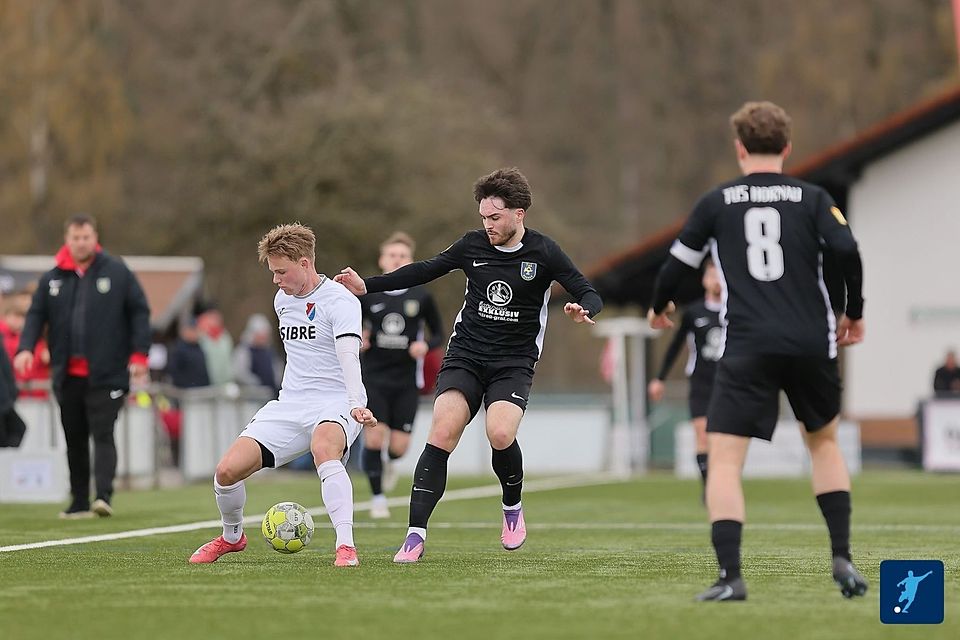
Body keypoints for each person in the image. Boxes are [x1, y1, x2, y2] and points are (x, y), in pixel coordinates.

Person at [648, 102, 868, 601]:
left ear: (739, 148)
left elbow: (676, 264)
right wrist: (853, 311)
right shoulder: (813, 197)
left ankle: (731, 577)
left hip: (748, 342)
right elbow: (847, 249)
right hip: (811, 340)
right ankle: (842, 556)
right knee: (824, 444)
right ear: (787, 147)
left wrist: (659, 307)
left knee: (724, 460)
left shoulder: (717, 202)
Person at [336, 167, 602, 563]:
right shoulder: (472, 245)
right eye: (483, 217)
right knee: (443, 430)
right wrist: (367, 285)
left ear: (519, 214)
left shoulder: (544, 252)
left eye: (495, 217)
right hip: (466, 355)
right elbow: (425, 269)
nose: (487, 225)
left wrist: (584, 308)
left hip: (513, 363)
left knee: (500, 432)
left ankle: (512, 506)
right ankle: (414, 535)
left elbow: (587, 289)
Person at [188, 223, 377, 567]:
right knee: (226, 471)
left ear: (305, 263)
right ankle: (232, 537)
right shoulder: (282, 301)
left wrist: (356, 403)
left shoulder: (341, 301)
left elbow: (348, 355)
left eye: (281, 272)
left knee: (324, 449)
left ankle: (346, 546)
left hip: (336, 401)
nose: (275, 280)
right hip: (290, 403)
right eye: (273, 272)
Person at [14, 214, 151, 518]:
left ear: (95, 237)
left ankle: (102, 496)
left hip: (107, 373)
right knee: (74, 438)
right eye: (75, 238)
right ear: (67, 240)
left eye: (86, 237)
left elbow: (139, 312)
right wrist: (26, 348)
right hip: (67, 375)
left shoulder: (117, 272)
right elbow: (36, 315)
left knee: (102, 433)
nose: (81, 243)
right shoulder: (53, 278)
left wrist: (140, 355)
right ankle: (78, 500)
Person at [360, 231, 445, 519]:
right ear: (382, 260)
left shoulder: (421, 296)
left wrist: (425, 346)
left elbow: (439, 334)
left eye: (403, 256)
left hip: (407, 380)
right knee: (374, 438)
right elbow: (350, 325)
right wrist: (360, 337)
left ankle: (390, 463)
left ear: (411, 261)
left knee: (398, 447)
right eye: (392, 255)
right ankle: (377, 499)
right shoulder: (367, 294)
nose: (397, 260)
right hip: (374, 378)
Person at [648, 259, 723, 499]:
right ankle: (708, 488)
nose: (716, 281)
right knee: (702, 434)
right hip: (701, 381)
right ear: (704, 280)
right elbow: (675, 346)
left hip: (728, 382)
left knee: (723, 439)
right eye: (711, 275)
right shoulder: (694, 312)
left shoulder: (736, 310)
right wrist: (660, 378)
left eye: (719, 275)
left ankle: (722, 484)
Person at [232, 313, 283, 397]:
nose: (263, 337)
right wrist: (256, 384)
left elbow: (277, 370)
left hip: (272, 394)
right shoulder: (244, 351)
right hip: (253, 396)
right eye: (260, 334)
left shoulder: (270, 351)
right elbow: (240, 373)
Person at [196, 308, 234, 386]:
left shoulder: (225, 338)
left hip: (225, 379)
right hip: (206, 380)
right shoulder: (201, 338)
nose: (215, 322)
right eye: (212, 319)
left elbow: (229, 358)